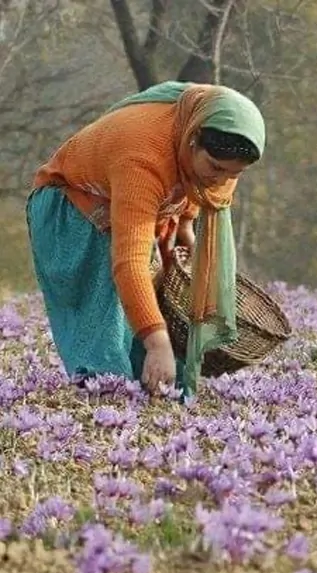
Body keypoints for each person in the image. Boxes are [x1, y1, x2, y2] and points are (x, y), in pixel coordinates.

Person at [26, 80, 266, 397]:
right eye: (216, 167)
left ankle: (153, 384)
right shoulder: (142, 157)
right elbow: (130, 261)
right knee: (107, 305)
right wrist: (157, 340)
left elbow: (195, 201)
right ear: (192, 139)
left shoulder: (210, 139)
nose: (220, 179)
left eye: (233, 175)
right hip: (71, 203)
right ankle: (105, 393)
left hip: (123, 204)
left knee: (159, 292)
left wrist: (184, 239)